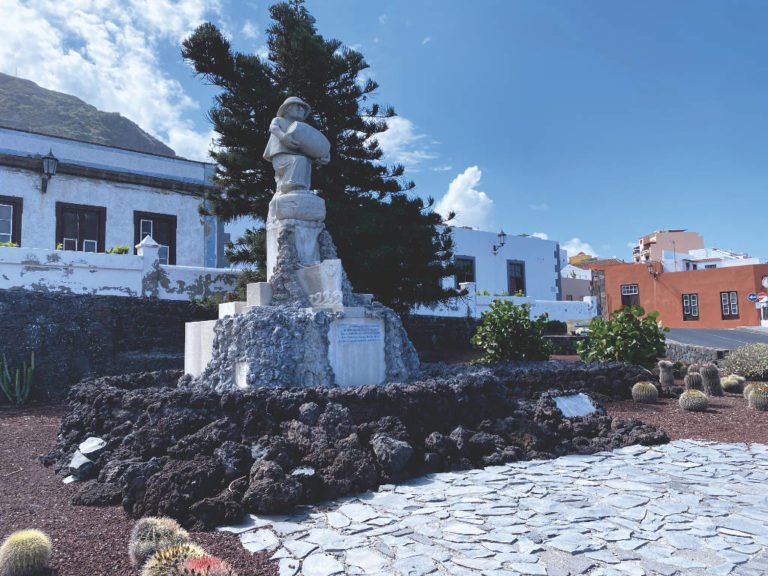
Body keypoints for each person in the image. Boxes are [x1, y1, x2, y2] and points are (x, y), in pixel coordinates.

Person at [263, 97, 330, 194]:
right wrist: (283, 137)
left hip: (300, 160)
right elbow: (273, 128)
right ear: (287, 109)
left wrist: (323, 154)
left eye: (303, 108)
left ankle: (301, 188)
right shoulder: (279, 120)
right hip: (281, 157)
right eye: (297, 106)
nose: (301, 109)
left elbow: (313, 144)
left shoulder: (302, 129)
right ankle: (290, 186)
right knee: (299, 160)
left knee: (305, 162)